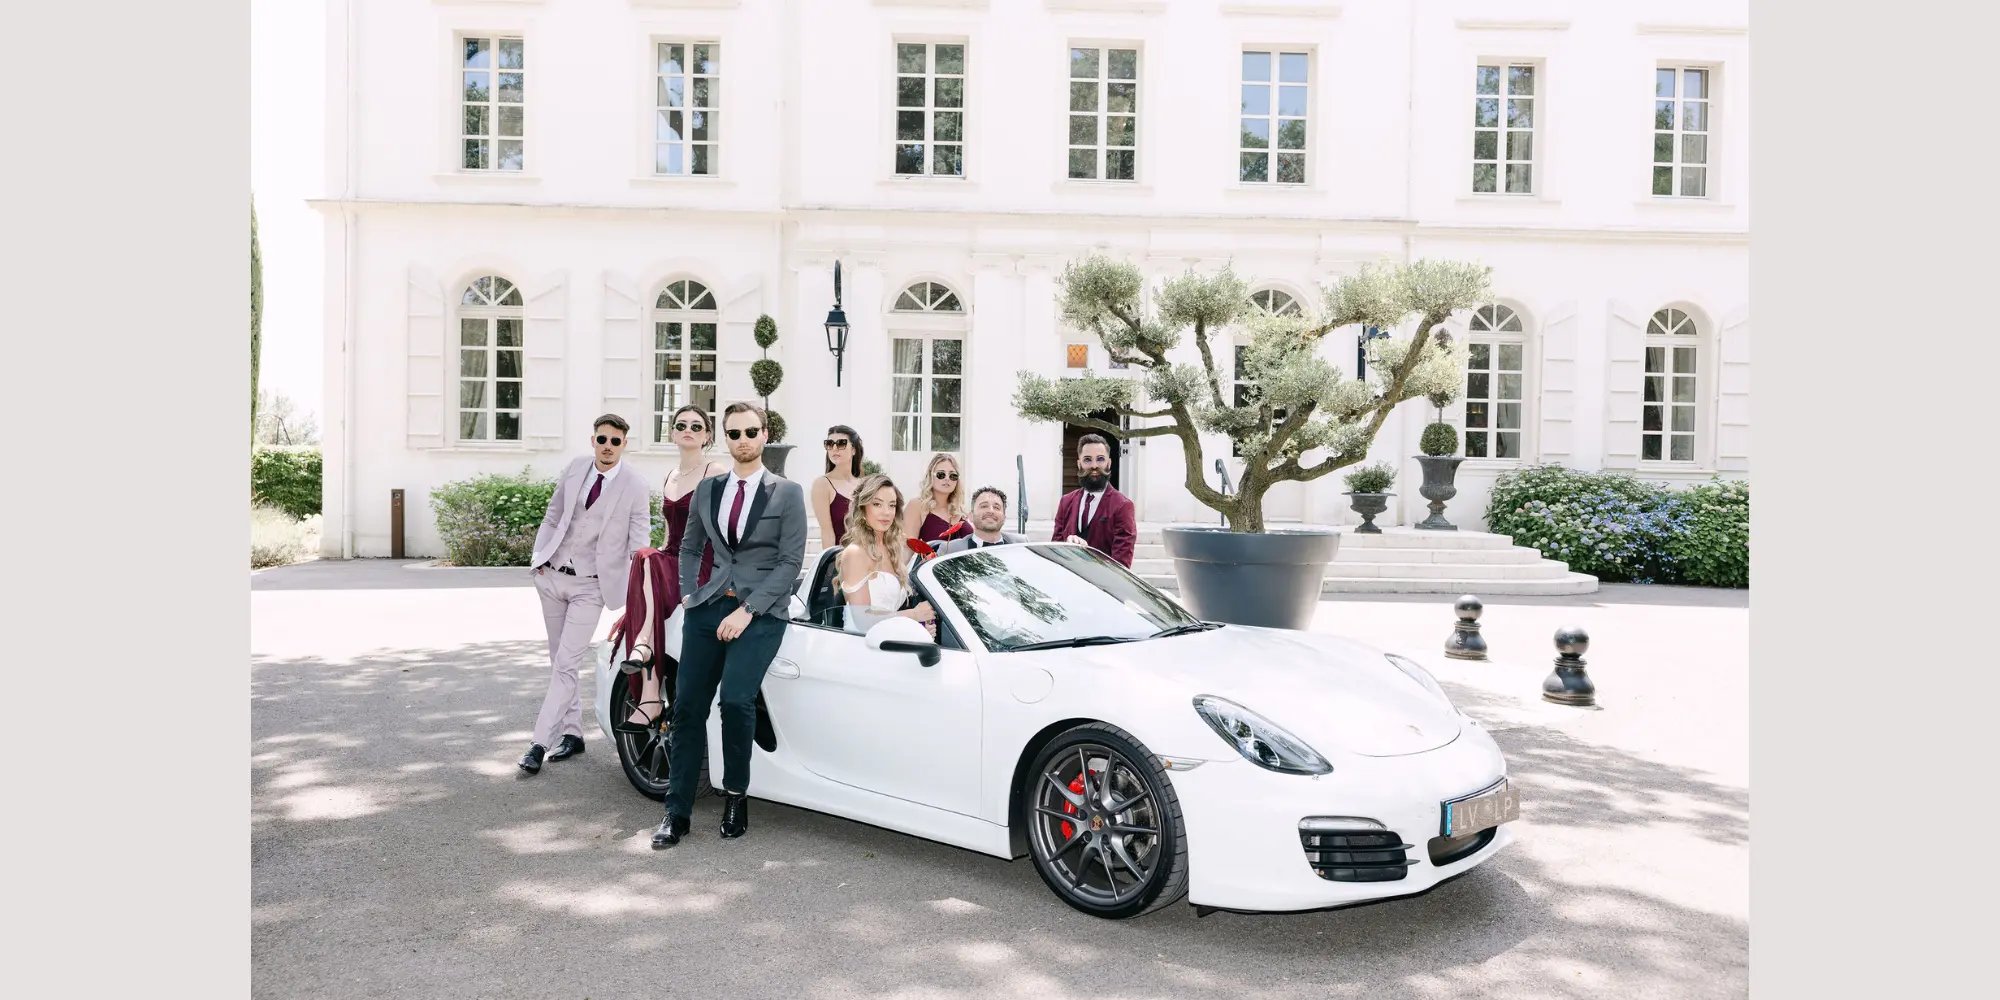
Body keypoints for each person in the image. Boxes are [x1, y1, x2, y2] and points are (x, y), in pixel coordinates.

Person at [653, 402, 808, 848]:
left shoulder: (787, 492)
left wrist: (749, 610)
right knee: (686, 708)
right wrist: (688, 593)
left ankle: (736, 797)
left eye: (751, 432)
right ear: (725, 438)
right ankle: (675, 812)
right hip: (707, 606)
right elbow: (688, 547)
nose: (743, 440)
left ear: (765, 435)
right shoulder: (709, 488)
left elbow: (789, 561)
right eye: (734, 433)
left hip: (761, 613)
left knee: (737, 703)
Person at [518, 415, 653, 775]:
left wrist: (640, 590)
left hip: (591, 586)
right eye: (602, 439)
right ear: (593, 440)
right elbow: (553, 515)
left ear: (625, 444)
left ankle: (538, 743)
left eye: (616, 441)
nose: (608, 446)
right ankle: (573, 733)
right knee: (558, 659)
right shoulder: (576, 467)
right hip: (552, 576)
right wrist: (539, 559)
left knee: (565, 663)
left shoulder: (635, 485)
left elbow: (639, 544)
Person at [604, 403, 727, 734]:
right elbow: (671, 534)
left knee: (645, 558)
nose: (688, 429)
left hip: (701, 563)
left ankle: (645, 662)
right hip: (671, 556)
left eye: (697, 426)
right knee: (646, 556)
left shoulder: (713, 472)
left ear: (707, 437)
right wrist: (656, 559)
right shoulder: (671, 475)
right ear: (672, 433)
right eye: (681, 424)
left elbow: (723, 529)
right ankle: (649, 695)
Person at [837, 474, 938, 635]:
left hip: (889, 641)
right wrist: (913, 615)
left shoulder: (892, 549)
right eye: (877, 504)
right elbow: (862, 621)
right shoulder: (856, 553)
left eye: (892, 505)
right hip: (863, 647)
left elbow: (891, 615)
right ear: (862, 508)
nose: (886, 512)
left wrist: (918, 628)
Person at [1050, 433, 1136, 568]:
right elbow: (1054, 551)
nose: (1094, 466)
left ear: (1109, 463)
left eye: (1100, 459)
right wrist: (1067, 545)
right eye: (1087, 460)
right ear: (1079, 464)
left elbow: (1122, 566)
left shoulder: (1123, 506)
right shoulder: (1065, 502)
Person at [809, 424, 864, 549]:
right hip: (840, 560)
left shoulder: (864, 485)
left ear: (854, 450)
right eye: (829, 443)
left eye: (841, 443)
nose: (834, 448)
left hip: (868, 558)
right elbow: (827, 533)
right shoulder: (822, 484)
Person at [933, 485, 1025, 554]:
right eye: (984, 506)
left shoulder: (1021, 544)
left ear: (1004, 518)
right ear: (971, 516)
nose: (990, 511)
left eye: (996, 507)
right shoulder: (949, 550)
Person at [902, 451, 966, 545]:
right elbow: (907, 548)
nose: (947, 479)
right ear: (930, 476)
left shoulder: (959, 509)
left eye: (953, 475)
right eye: (941, 474)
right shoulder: (917, 506)